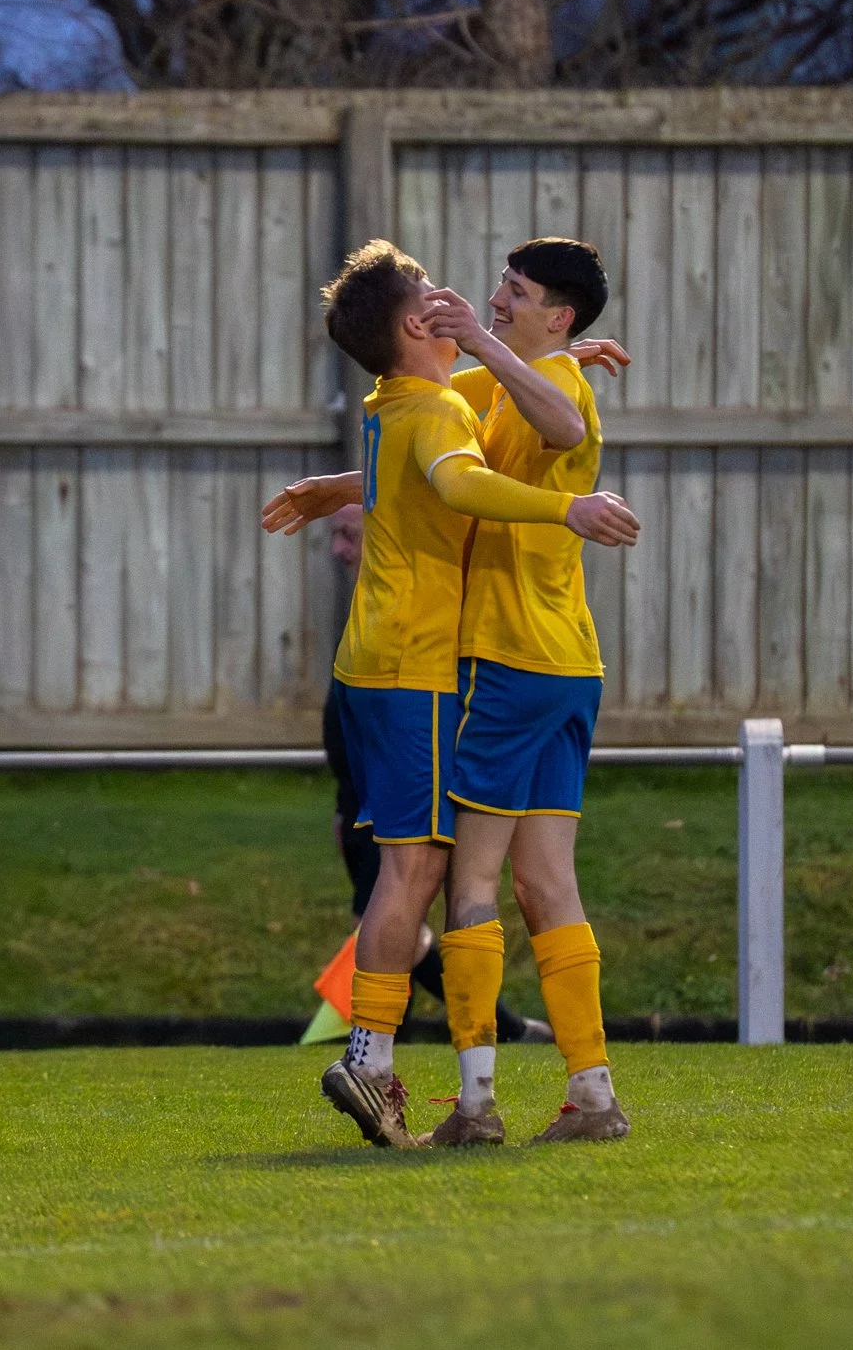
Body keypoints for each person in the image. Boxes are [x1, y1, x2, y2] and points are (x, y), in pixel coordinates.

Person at [260, 239, 639, 1149]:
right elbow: (457, 466)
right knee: (503, 877)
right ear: (414, 327)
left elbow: (521, 441)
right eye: (455, 296)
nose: (479, 302)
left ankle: (443, 1092)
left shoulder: (422, 399)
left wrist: (555, 368)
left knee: (454, 876)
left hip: (473, 664)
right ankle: (586, 1094)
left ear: (556, 315)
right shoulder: (442, 401)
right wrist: (553, 372)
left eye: (514, 293)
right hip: (534, 661)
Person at [319, 503, 547, 1046]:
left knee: (423, 904)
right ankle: (463, 1039)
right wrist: (344, 800)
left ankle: (392, 1049)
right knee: (410, 910)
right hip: (364, 795)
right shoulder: (372, 610)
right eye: (335, 536)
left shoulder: (419, 613)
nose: (338, 550)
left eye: (349, 534)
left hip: (400, 785)